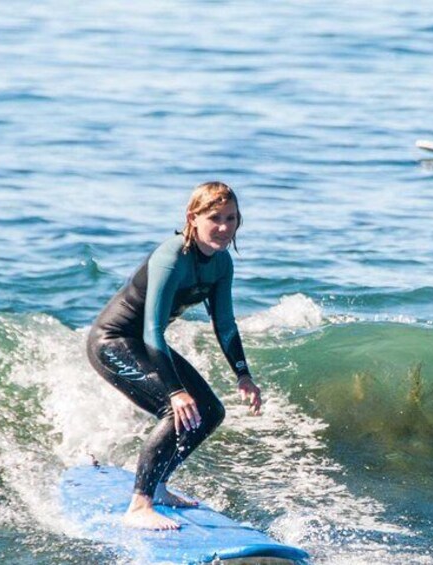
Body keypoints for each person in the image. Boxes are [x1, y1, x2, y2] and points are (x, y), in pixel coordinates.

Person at [86, 181, 262, 531]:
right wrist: (175, 391)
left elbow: (224, 324)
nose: (225, 228)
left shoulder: (221, 263)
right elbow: (153, 329)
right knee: (176, 409)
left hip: (143, 343)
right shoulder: (171, 257)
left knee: (210, 412)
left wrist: (243, 374)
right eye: (215, 218)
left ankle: (159, 485)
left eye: (232, 218)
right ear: (191, 218)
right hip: (114, 341)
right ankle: (140, 504)